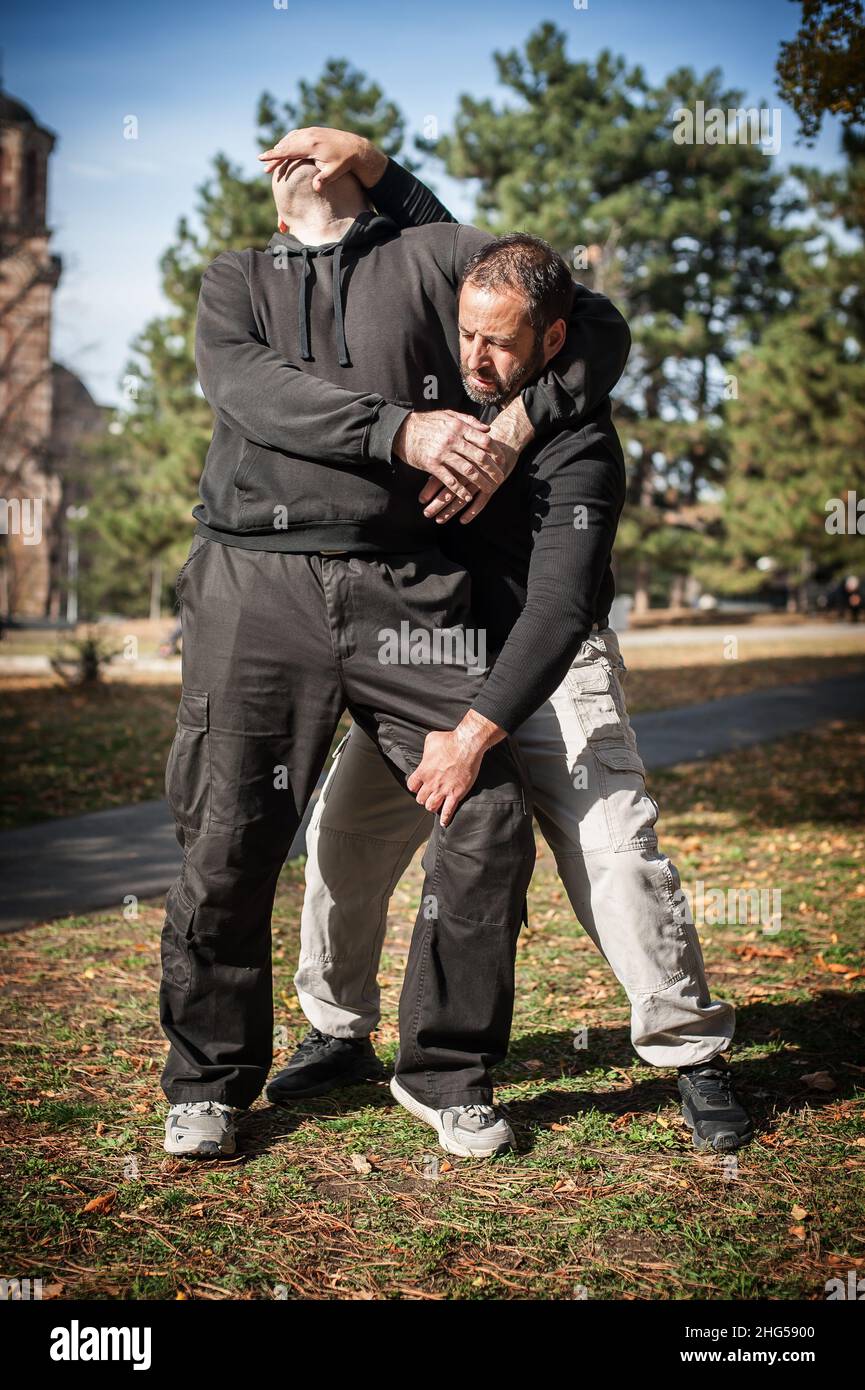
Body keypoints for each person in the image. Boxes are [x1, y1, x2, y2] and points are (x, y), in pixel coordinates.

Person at [257, 130, 752, 1158]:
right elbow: (446, 246)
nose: (476, 362)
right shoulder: (459, 350)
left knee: (617, 852)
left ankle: (691, 1051)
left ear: (553, 342)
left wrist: (475, 735)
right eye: (467, 337)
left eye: (502, 348)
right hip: (430, 650)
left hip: (549, 660)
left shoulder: (580, 439)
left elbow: (562, 610)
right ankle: (337, 1029)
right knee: (344, 842)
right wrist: (377, 166)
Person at [161, 134, 630, 1159]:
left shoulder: (425, 259)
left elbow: (589, 319)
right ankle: (209, 1081)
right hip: (256, 584)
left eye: (319, 149)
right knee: (228, 830)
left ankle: (445, 1069)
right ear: (272, 200)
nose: (299, 162)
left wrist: (510, 429)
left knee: (487, 802)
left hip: (407, 586)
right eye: (278, 158)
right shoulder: (233, 278)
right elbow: (246, 387)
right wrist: (401, 431)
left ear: (356, 173)